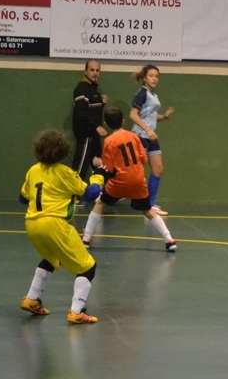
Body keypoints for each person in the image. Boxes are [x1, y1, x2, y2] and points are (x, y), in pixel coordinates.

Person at [19, 130, 104, 324]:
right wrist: (98, 176)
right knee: (88, 267)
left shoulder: (33, 171)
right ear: (63, 151)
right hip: (55, 223)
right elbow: (90, 194)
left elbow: (22, 198)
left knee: (52, 258)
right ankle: (77, 311)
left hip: (32, 223)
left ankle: (31, 299)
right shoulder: (65, 173)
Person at [82, 107, 178, 253]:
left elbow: (109, 168)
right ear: (123, 121)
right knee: (147, 210)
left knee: (100, 203)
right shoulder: (134, 136)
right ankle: (169, 239)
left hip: (119, 182)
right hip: (138, 180)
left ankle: (86, 238)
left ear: (106, 124)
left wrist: (98, 164)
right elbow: (143, 159)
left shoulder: (108, 141)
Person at [130, 64, 174, 216]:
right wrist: (147, 129)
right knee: (134, 172)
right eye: (151, 76)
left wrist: (164, 117)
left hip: (151, 137)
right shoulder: (142, 93)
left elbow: (150, 116)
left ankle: (150, 204)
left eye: (156, 76)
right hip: (140, 136)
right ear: (144, 78)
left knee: (158, 169)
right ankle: (107, 193)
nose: (154, 79)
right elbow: (133, 114)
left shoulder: (153, 96)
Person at [72, 59, 108, 198]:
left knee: (99, 163)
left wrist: (102, 103)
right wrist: (96, 126)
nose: (95, 73)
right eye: (92, 70)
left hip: (93, 134)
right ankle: (73, 195)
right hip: (86, 133)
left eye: (97, 70)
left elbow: (92, 109)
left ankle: (104, 193)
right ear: (85, 71)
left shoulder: (94, 88)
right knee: (81, 164)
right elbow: (81, 112)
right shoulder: (82, 88)